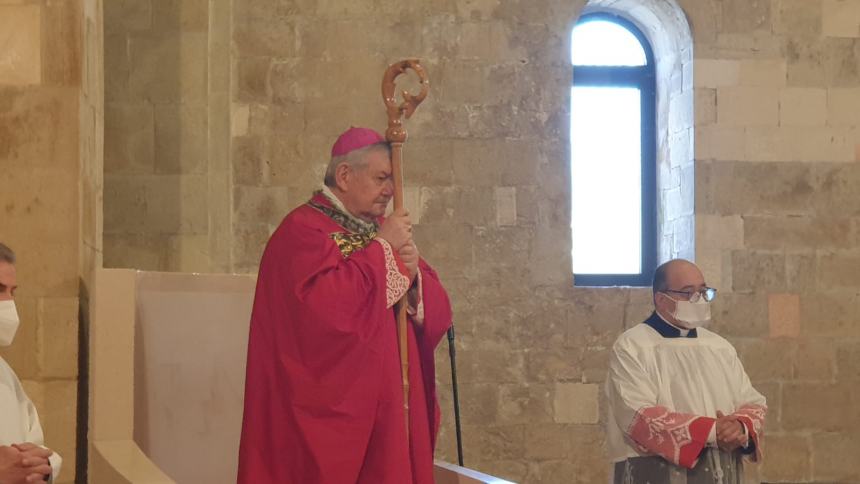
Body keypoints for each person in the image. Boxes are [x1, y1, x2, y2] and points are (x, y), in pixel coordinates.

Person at [237, 127, 453, 483]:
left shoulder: (377, 232)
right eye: (382, 178)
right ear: (345, 176)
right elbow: (324, 317)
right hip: (333, 423)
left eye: (393, 180)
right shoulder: (301, 232)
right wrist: (384, 250)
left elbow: (438, 311)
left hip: (388, 417)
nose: (391, 191)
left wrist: (414, 279)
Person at [606, 259, 766, 484]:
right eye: (687, 293)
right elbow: (637, 415)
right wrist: (713, 431)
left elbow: (752, 401)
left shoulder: (719, 346)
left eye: (703, 291)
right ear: (661, 299)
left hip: (724, 469)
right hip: (657, 472)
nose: (699, 299)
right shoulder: (633, 346)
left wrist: (738, 427)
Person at [0, 243, 62, 483]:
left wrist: (44, 465)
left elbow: (37, 443)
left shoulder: (4, 373)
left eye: (12, 291)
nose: (8, 302)